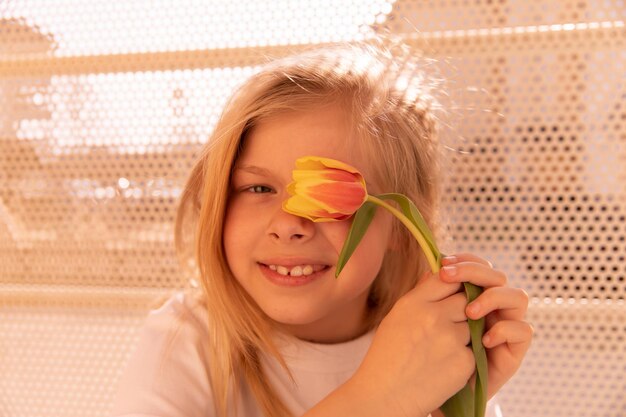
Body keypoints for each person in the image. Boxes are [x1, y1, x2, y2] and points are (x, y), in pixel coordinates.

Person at [111, 40, 532, 417]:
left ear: (402, 229)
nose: (289, 225)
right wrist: (376, 401)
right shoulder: (186, 342)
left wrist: (457, 408)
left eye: (328, 202)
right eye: (259, 187)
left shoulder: (429, 346)